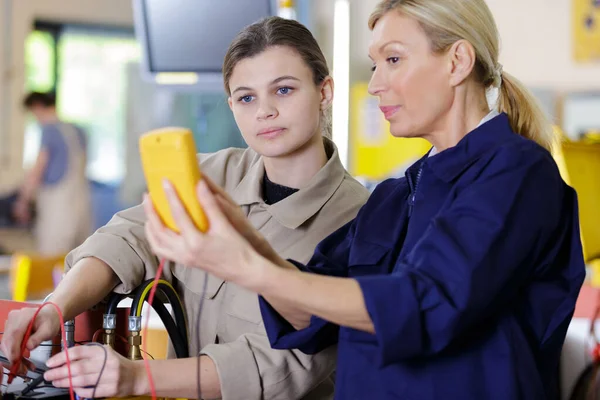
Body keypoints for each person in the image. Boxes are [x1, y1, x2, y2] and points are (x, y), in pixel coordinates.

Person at [110, 1, 584, 399]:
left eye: (393, 60)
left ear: (457, 62)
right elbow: (309, 313)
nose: (376, 83)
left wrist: (247, 267)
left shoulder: (518, 175)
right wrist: (244, 238)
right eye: (375, 64)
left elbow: (426, 305)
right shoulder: (395, 199)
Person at [2, 17, 369, 400]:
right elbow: (127, 237)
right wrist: (52, 309)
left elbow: (284, 363)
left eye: (284, 90)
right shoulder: (207, 175)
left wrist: (136, 377)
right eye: (247, 97)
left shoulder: (362, 220)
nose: (264, 111)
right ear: (231, 105)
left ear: (324, 91)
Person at [14, 92, 91, 256]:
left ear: (38, 107)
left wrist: (23, 200)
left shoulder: (48, 131)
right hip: (81, 199)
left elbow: (39, 167)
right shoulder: (78, 130)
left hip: (57, 201)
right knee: (79, 253)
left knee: (52, 251)